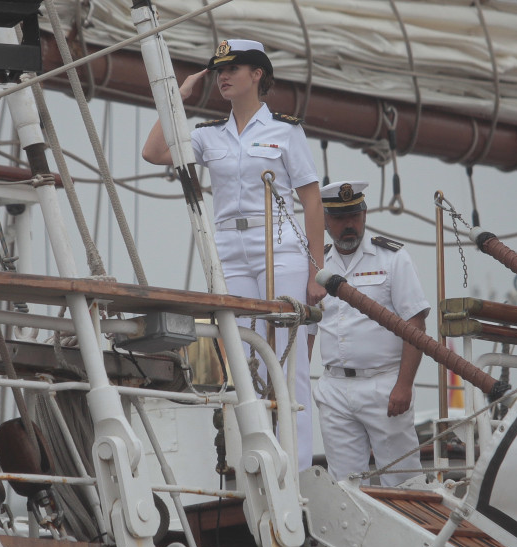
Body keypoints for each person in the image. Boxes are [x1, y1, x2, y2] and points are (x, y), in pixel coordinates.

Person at [142, 39, 325, 471]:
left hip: (280, 248)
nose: (223, 76)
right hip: (227, 248)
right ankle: (256, 463)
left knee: (287, 358)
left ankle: (295, 470)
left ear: (257, 74)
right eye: (219, 71)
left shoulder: (285, 130)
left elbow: (312, 201)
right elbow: (154, 153)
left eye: (234, 69)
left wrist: (317, 271)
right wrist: (177, 96)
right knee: (242, 359)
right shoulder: (208, 134)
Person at [314, 181, 430, 486]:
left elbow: (415, 325)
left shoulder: (392, 258)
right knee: (346, 487)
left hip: (384, 384)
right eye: (340, 219)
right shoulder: (316, 263)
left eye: (355, 215)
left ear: (364, 215)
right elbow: (308, 328)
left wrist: (404, 385)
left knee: (403, 482)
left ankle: (415, 534)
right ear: (325, 221)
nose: (348, 225)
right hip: (334, 387)